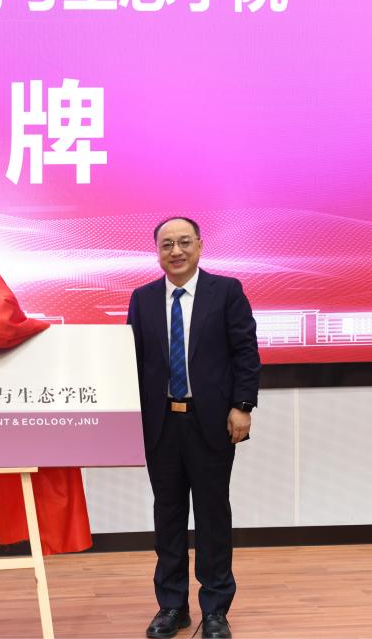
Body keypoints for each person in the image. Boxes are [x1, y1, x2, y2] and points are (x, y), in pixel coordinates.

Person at [127, 217, 260, 639]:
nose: (176, 251)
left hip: (212, 423)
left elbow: (245, 352)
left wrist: (242, 406)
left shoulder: (227, 291)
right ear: (157, 252)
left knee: (211, 515)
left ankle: (215, 610)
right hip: (161, 423)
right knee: (167, 515)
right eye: (167, 244)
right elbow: (133, 361)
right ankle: (172, 606)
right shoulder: (143, 298)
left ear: (200, 246)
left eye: (184, 242)